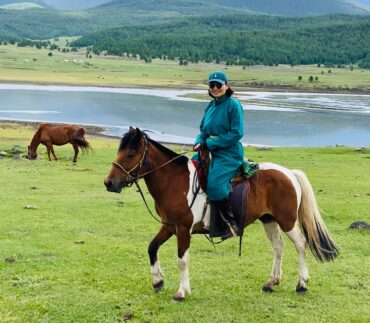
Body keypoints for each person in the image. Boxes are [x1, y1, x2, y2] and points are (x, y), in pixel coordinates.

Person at [193, 71, 244, 240]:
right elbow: (203, 130)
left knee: (215, 185)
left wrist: (211, 143)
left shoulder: (233, 105)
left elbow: (237, 133)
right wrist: (199, 141)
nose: (215, 88)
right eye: (211, 85)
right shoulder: (210, 106)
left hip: (229, 153)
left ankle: (230, 223)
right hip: (208, 151)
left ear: (226, 86)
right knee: (189, 171)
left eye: (218, 85)